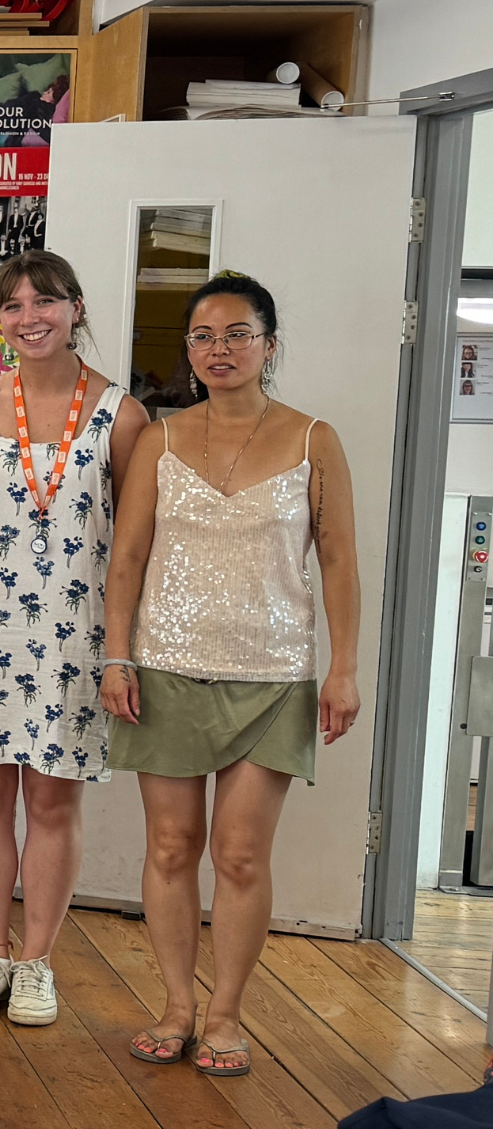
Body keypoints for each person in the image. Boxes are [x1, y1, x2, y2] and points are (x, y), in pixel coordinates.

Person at [99, 271, 360, 1076]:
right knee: (173, 846)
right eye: (205, 336)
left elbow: (341, 564)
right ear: (188, 350)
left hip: (274, 673)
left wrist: (342, 669)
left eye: (238, 334)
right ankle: (176, 1005)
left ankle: (225, 1014)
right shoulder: (161, 438)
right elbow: (129, 557)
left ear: (269, 346)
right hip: (167, 667)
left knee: (242, 854)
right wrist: (116, 654)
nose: (220, 349)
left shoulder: (315, 437)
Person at [0, 250, 148, 1026]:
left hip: (73, 634)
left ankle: (37, 961)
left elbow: (132, 544)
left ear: (76, 308)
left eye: (45, 301)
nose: (30, 317)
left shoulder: (121, 414)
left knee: (53, 803)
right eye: (13, 304)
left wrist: (122, 648)